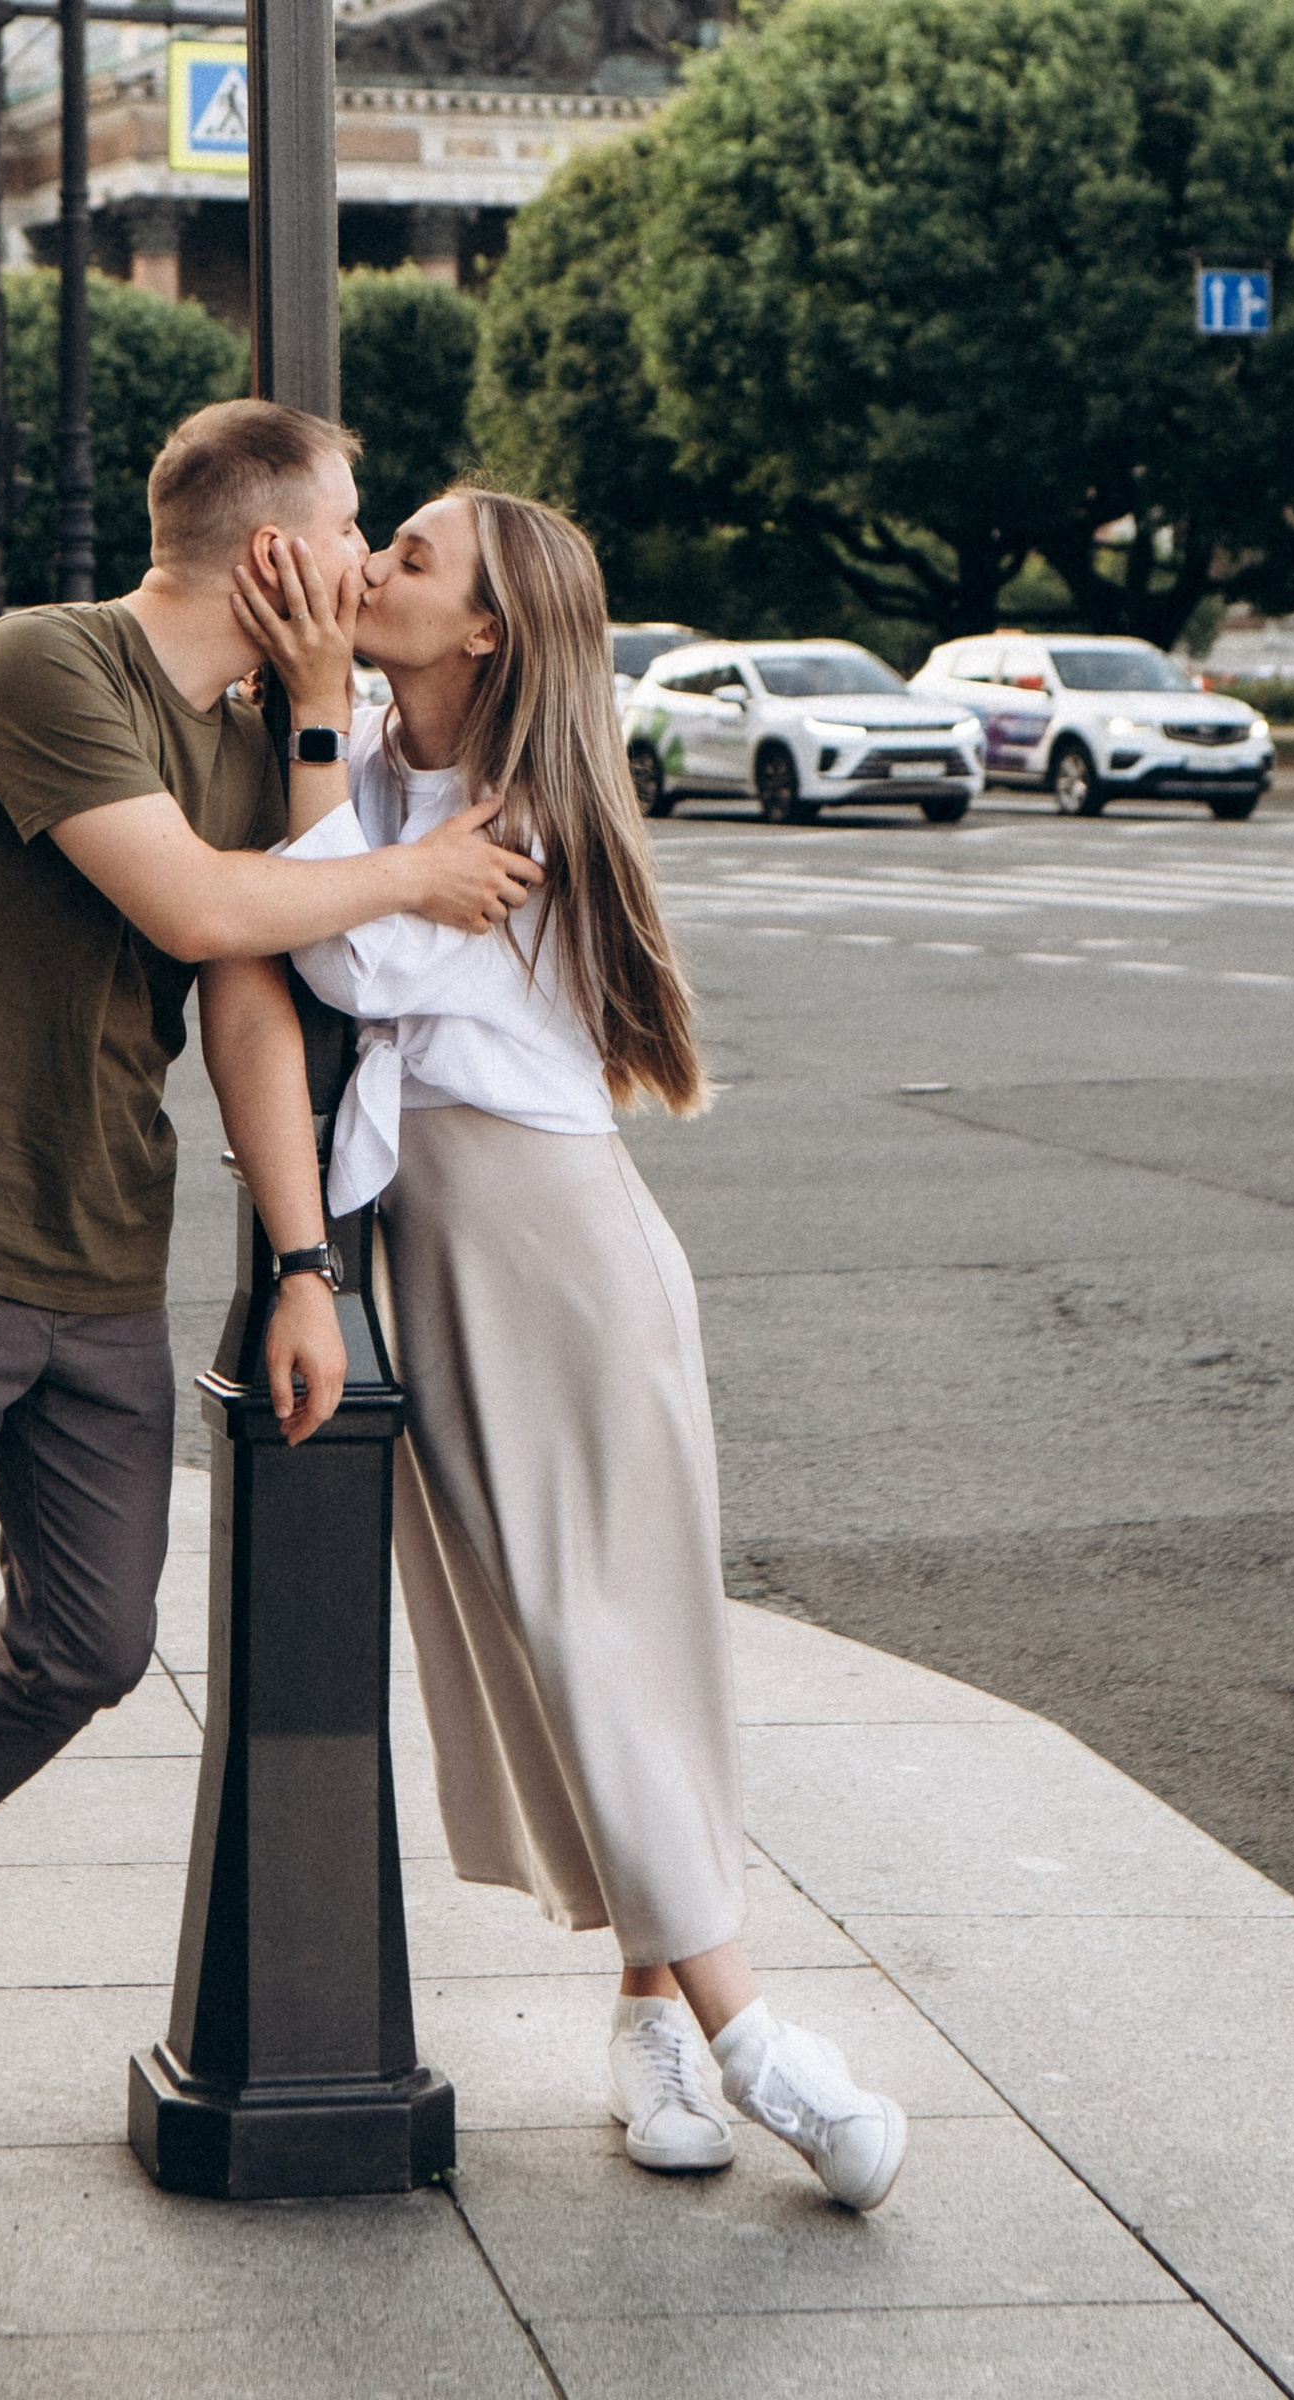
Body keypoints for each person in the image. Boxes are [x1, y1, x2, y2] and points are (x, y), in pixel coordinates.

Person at [0, 400, 542, 2226]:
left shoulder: (251, 739)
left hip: (98, 1265)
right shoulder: (39, 668)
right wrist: (415, 866)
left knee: (90, 1641)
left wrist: (307, 1267)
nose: (362, 559)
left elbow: (255, 987)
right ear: (268, 549)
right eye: (348, 528)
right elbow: (190, 893)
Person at [232, 486, 910, 2213]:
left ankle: (742, 2035)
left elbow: (341, 938)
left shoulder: (515, 814)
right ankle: (656, 2019)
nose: (371, 562)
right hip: (468, 1241)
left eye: (413, 558)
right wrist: (316, 713)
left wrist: (313, 709)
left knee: (610, 1636)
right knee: (568, 1638)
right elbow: (321, 891)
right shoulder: (386, 766)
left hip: (552, 1248)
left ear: (489, 634)